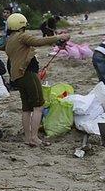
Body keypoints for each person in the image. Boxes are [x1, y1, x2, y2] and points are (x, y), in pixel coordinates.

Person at [5, 14, 68, 147]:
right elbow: (38, 41)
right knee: (38, 106)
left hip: (17, 76)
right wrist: (59, 37)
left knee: (26, 108)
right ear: (21, 25)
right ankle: (34, 138)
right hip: (28, 74)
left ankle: (28, 138)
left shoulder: (10, 39)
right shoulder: (21, 36)